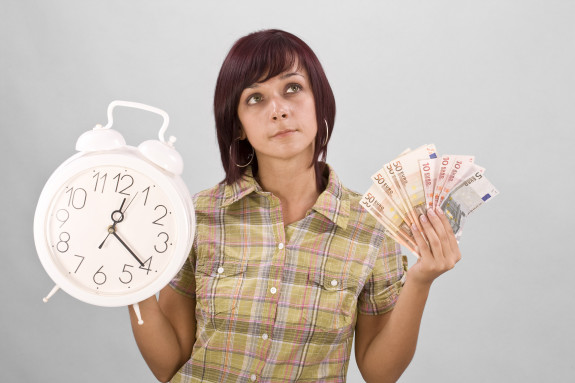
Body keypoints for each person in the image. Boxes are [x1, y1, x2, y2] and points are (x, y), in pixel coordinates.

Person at [129, 29, 461, 383]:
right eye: (255, 98)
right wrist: (131, 282)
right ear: (237, 125)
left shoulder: (371, 227)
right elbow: (168, 363)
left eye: (292, 88)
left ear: (319, 100)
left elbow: (380, 373)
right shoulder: (198, 216)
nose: (279, 111)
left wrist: (421, 280)